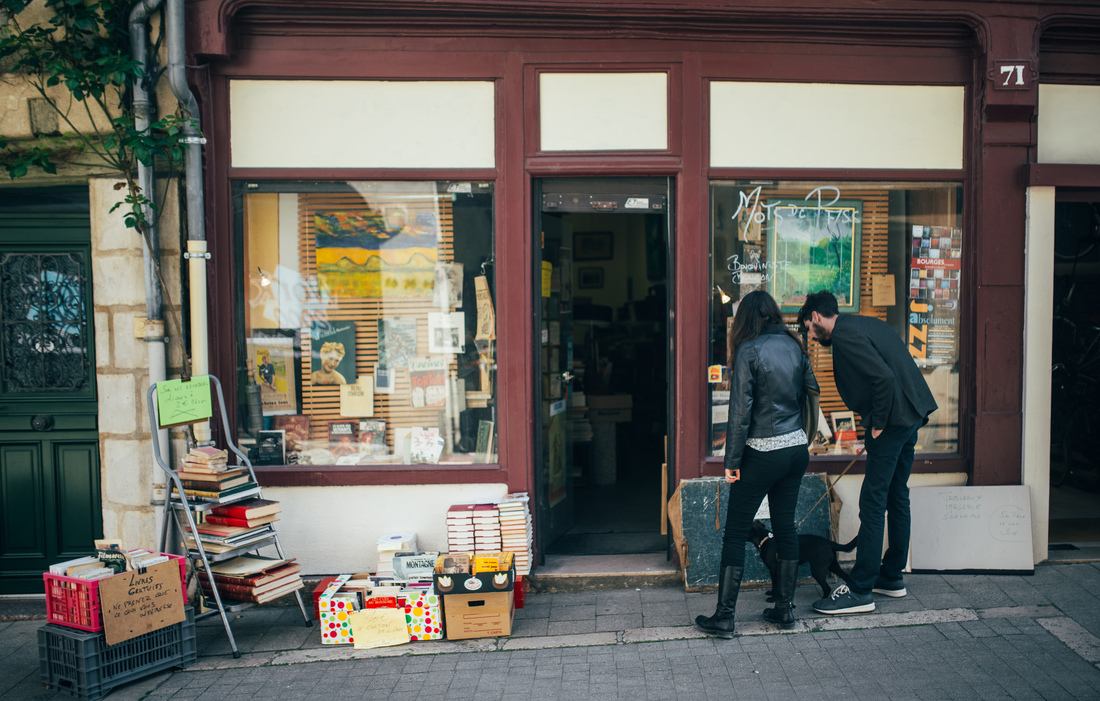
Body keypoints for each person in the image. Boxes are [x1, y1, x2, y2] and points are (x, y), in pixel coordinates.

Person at [797, 291, 937, 615]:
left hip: (892, 423)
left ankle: (860, 589)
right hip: (909, 417)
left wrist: (878, 423)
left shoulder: (844, 335)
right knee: (896, 495)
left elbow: (883, 378)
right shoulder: (865, 325)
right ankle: (891, 576)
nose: (811, 336)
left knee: (873, 502)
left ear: (816, 317)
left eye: (808, 328)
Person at [695, 290, 819, 638]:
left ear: (746, 319)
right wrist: (804, 437)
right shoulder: (794, 345)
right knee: (785, 526)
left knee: (736, 531)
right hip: (795, 448)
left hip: (761, 451)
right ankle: (785, 609)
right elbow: (812, 392)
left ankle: (724, 616)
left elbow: (739, 413)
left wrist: (731, 461)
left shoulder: (749, 350)